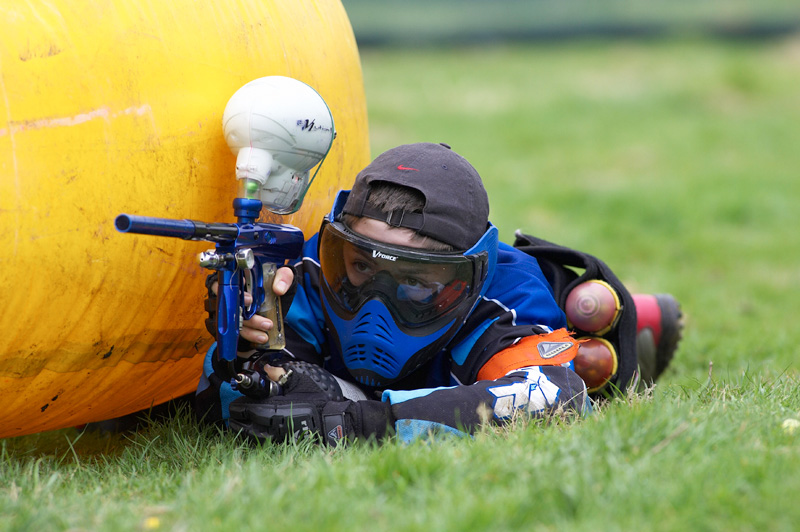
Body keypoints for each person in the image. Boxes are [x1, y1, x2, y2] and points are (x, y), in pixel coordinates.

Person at [194, 142, 678, 445]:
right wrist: (244, 346)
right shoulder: (312, 268)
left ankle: (643, 319)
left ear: (466, 276)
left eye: (415, 280)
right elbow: (229, 396)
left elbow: (555, 398)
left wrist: (360, 422)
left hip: (547, 321)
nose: (375, 306)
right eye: (362, 265)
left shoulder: (504, 301)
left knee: (599, 355)